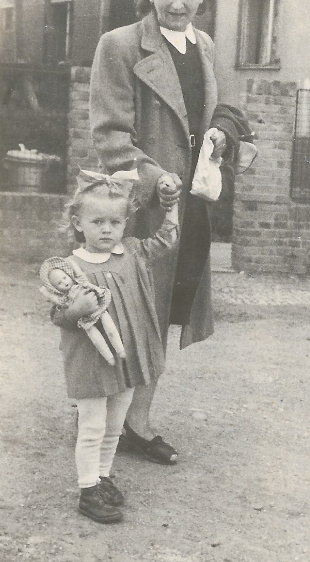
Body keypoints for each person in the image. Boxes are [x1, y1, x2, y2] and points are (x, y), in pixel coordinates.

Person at [89, 0, 255, 464]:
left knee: (162, 315)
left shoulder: (203, 46)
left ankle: (134, 422)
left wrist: (222, 133)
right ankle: (108, 422)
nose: (177, 3)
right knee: (129, 315)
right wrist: (154, 177)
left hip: (189, 209)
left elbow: (224, 108)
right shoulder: (119, 46)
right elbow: (110, 135)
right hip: (139, 212)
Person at [48, 168, 177, 523]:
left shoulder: (132, 253)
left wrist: (172, 206)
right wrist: (77, 308)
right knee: (92, 426)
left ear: (125, 224)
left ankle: (102, 477)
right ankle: (87, 491)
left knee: (114, 425)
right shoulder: (68, 268)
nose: (107, 229)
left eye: (115, 222)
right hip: (90, 362)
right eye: (97, 221)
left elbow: (166, 239)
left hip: (125, 359)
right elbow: (58, 315)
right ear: (78, 223)